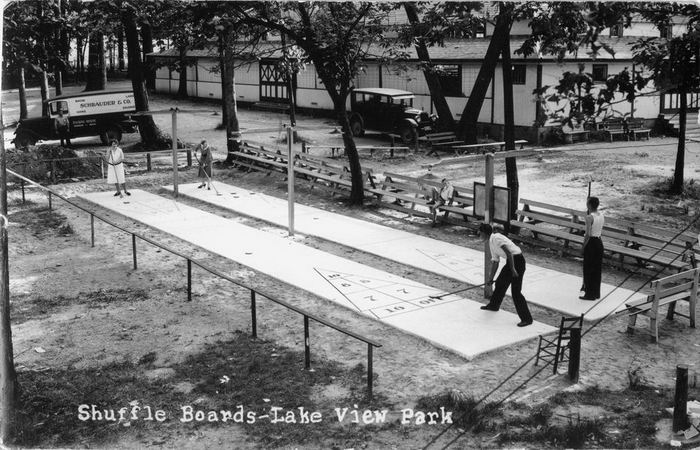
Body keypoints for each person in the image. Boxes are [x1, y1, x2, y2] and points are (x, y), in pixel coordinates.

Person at [478, 223, 533, 327]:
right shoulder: (490, 242)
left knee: (516, 292)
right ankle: (494, 306)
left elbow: (509, 253)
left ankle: (527, 319)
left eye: (480, 233)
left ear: (485, 233)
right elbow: (495, 261)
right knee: (500, 283)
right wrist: (490, 278)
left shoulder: (496, 238)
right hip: (511, 261)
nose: (479, 235)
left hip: (517, 261)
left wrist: (512, 269)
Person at [580, 196, 605, 300]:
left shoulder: (589, 217)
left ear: (589, 205)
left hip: (591, 243)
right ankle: (595, 292)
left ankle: (589, 293)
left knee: (588, 268)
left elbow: (588, 234)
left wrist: (583, 246)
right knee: (597, 269)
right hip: (599, 242)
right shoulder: (602, 215)